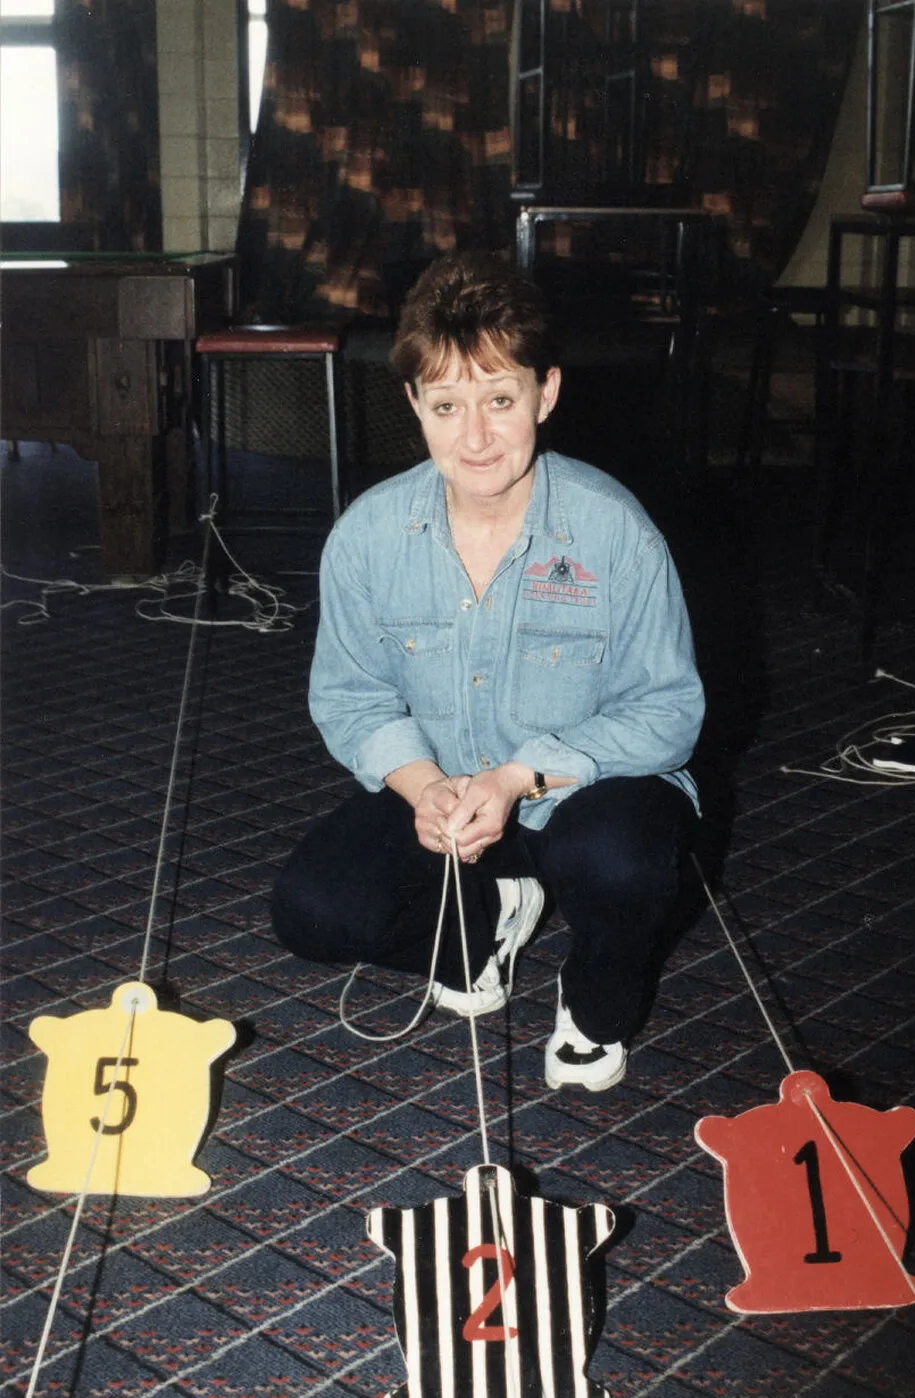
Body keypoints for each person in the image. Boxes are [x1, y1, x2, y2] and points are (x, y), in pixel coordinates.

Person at [271, 250, 704, 1092]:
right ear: (414, 406)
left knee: (622, 859)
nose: (475, 437)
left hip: (583, 796)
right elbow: (351, 698)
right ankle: (490, 921)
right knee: (314, 908)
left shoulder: (617, 531)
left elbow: (668, 712)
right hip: (451, 804)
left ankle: (593, 1007)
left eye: (500, 400)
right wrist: (424, 785)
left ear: (545, 392)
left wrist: (517, 776)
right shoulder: (365, 536)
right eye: (447, 405)